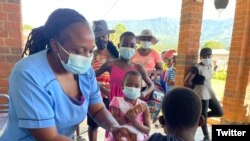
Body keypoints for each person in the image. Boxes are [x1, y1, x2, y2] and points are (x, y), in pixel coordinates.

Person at [0, 8, 136, 141]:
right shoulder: (28, 75)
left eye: (90, 51)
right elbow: (49, 137)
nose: (86, 57)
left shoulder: (85, 72)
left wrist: (114, 127)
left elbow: (98, 109)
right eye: (79, 50)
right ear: (55, 45)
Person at [96, 31, 154, 102]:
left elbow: (151, 85)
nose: (128, 48)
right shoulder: (110, 65)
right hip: (114, 106)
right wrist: (105, 91)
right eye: (125, 45)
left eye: (132, 46)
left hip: (132, 106)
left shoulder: (138, 68)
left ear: (135, 48)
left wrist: (143, 94)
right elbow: (91, 76)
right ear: (119, 46)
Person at [86, 20, 119, 141]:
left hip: (113, 96)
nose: (101, 39)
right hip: (95, 95)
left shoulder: (115, 55)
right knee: (93, 125)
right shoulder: (90, 55)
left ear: (108, 36)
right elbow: (87, 77)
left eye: (103, 36)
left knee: (111, 124)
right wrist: (102, 89)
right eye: (97, 37)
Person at [184, 48, 224, 141]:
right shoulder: (196, 68)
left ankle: (199, 118)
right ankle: (206, 136)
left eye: (209, 56)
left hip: (210, 91)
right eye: (204, 56)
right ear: (200, 56)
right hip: (201, 93)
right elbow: (187, 81)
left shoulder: (210, 65)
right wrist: (195, 87)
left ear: (211, 56)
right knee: (204, 114)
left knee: (219, 112)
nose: (207, 58)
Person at [106, 70, 150, 141]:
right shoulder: (117, 101)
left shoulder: (143, 106)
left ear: (141, 87)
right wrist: (127, 117)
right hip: (119, 137)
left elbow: (147, 130)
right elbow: (113, 123)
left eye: (136, 85)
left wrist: (135, 122)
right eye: (129, 85)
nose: (133, 88)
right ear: (122, 84)